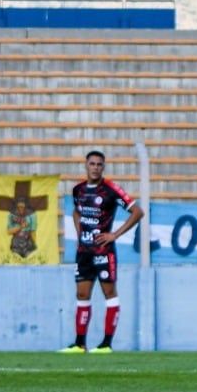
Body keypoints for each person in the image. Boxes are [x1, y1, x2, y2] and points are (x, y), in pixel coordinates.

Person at [60, 150, 144, 353]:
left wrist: (114, 235)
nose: (95, 167)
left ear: (103, 167)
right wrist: (81, 233)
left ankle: (106, 344)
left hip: (104, 251)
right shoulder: (78, 189)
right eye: (92, 164)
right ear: (86, 165)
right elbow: (76, 211)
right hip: (84, 251)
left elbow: (138, 212)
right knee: (82, 293)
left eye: (99, 164)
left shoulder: (111, 189)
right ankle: (80, 344)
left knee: (109, 293)